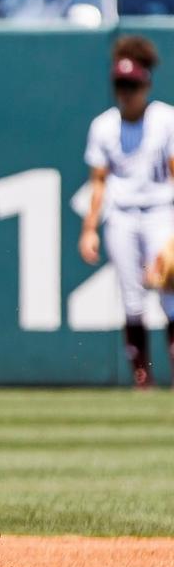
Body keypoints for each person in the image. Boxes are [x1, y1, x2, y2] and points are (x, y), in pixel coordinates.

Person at [79, 36, 173, 390]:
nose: (126, 93)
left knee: (170, 295)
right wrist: (89, 229)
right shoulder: (104, 126)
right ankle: (142, 378)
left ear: (146, 83)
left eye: (132, 85)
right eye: (120, 85)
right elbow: (99, 183)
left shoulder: (165, 120)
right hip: (121, 215)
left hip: (161, 212)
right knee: (132, 298)